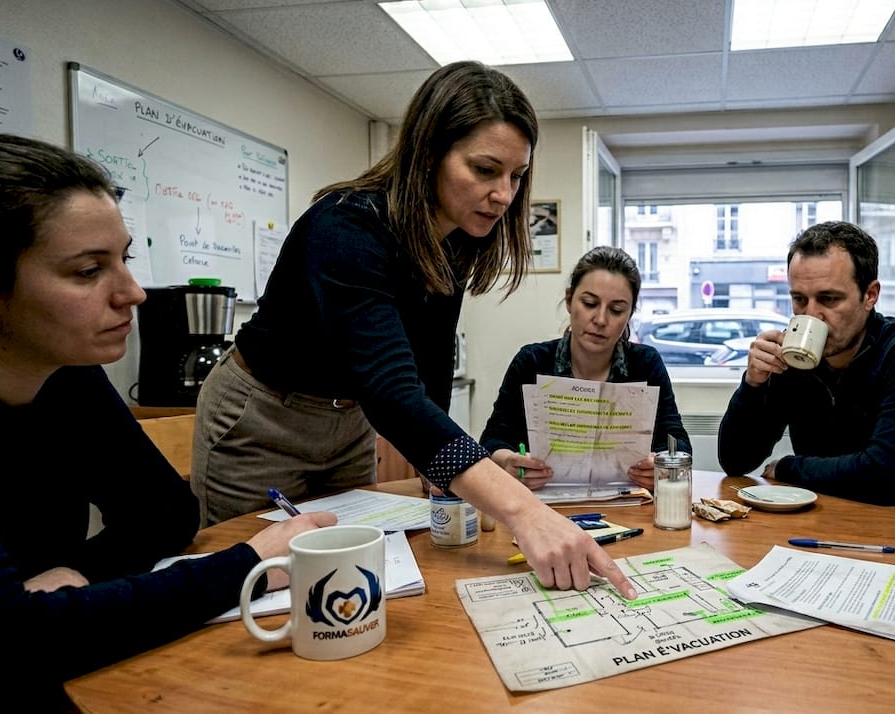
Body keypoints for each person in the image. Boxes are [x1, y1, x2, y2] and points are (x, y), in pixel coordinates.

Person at [190, 61, 636, 598]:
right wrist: (526, 513)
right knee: (256, 586)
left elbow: (430, 365)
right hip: (263, 418)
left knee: (349, 578)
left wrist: (440, 465)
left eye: (516, 176)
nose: (504, 194)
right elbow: (391, 391)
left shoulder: (454, 242)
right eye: (485, 170)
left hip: (346, 424)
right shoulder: (344, 226)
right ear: (428, 154)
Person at [0, 134, 336, 706]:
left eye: (125, 259)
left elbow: (167, 513)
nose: (133, 293)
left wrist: (75, 573)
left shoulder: (69, 376)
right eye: (88, 270)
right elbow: (13, 641)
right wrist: (249, 564)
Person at [717, 221, 895, 532]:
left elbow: (885, 472)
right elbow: (736, 460)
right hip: (823, 524)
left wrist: (790, 467)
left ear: (870, 295)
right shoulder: (794, 358)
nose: (811, 315)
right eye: (799, 299)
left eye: (829, 299)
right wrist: (753, 384)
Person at [479, 246, 691, 491]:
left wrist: (662, 465)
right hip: (542, 504)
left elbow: (678, 443)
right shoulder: (532, 362)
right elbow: (492, 441)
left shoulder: (645, 363)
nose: (600, 320)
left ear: (630, 314)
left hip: (628, 503)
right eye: (590, 303)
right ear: (569, 300)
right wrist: (507, 462)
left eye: (616, 310)